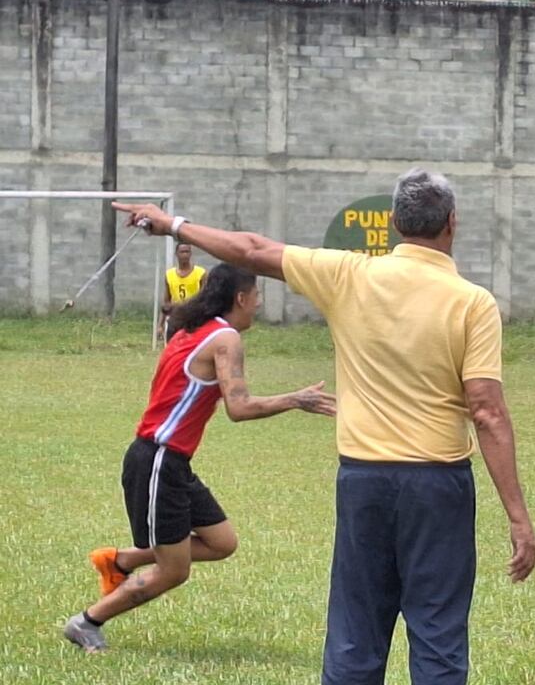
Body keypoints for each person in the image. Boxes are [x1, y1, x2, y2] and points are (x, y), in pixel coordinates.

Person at [112, 167, 535, 685]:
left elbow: (250, 249)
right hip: (438, 484)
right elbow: (488, 412)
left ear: (394, 223)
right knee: (438, 633)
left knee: (356, 633)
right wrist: (517, 516)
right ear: (452, 223)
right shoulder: (472, 302)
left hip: (363, 482)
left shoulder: (349, 274)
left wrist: (174, 224)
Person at [63, 264, 337, 653]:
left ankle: (121, 561)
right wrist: (297, 399)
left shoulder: (193, 329)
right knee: (174, 570)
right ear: (241, 298)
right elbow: (238, 408)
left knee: (222, 541)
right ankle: (87, 622)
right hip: (159, 459)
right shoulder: (225, 339)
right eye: (257, 296)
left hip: (169, 461)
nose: (258, 305)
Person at [161, 243, 207, 341]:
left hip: (193, 318)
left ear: (191, 254)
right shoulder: (169, 274)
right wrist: (160, 324)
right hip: (175, 318)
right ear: (176, 254)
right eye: (182, 252)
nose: (185, 255)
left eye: (187, 252)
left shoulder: (201, 273)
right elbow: (166, 302)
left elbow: (205, 298)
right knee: (173, 347)